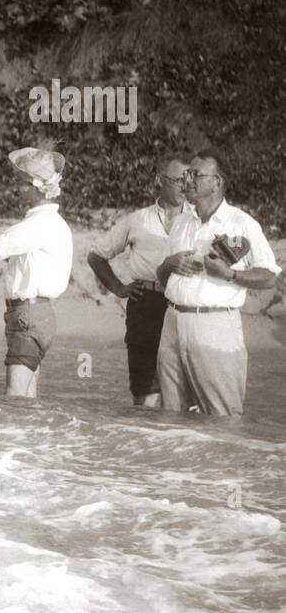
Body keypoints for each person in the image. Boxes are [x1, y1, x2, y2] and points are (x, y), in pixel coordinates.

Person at [154, 152, 280, 416]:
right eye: (187, 175)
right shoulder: (180, 224)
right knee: (169, 415)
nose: (187, 180)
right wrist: (170, 264)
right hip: (172, 322)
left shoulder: (242, 223)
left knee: (222, 415)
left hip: (215, 326)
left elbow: (269, 276)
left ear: (217, 183)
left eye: (195, 175)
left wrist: (230, 275)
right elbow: (162, 278)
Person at [86, 157, 194, 407]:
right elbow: (96, 254)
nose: (184, 186)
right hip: (144, 304)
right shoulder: (138, 220)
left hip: (181, 306)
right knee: (144, 390)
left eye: (188, 180)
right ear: (159, 181)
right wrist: (119, 288)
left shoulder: (196, 221)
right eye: (178, 180)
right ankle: (143, 440)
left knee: (183, 391)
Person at [0, 148, 74, 398]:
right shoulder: (54, 223)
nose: (15, 188)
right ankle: (30, 437)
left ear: (35, 186)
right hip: (39, 314)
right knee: (27, 397)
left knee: (14, 395)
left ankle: (14, 437)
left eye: (19, 183)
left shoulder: (37, 224)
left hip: (27, 316)